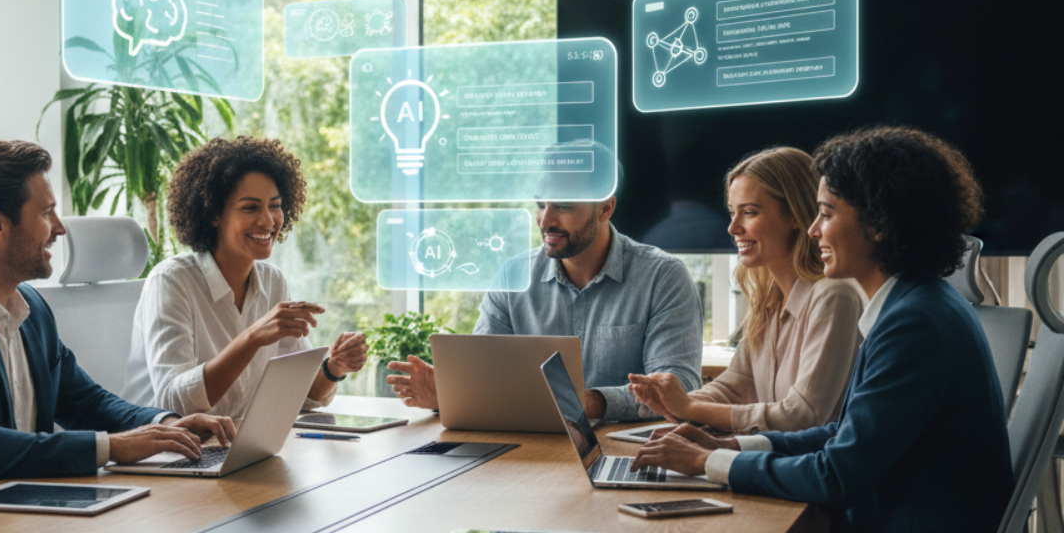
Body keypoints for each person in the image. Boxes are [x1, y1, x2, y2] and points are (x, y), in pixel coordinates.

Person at [633, 126, 1012, 533]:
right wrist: (731, 446)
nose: (814, 230)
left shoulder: (913, 324)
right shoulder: (912, 305)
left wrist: (708, 463)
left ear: (879, 223)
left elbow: (837, 475)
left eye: (827, 214)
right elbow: (840, 434)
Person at [0, 141, 236, 502]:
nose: (59, 228)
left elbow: (85, 402)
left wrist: (166, 423)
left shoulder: (30, 309)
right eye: (45, 213)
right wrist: (112, 447)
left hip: (13, 506)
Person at [388, 146, 703, 422]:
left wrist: (587, 402)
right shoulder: (513, 275)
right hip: (527, 450)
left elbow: (680, 388)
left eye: (563, 206)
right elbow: (486, 376)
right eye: (541, 204)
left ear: (605, 208)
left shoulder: (663, 277)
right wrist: (452, 396)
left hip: (623, 455)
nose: (545, 220)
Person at [122, 136, 368, 419]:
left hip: (231, 447)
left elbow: (299, 393)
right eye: (250, 207)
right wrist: (252, 338)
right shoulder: (171, 282)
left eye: (275, 205)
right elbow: (173, 404)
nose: (268, 220)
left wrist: (334, 367)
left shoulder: (273, 281)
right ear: (214, 214)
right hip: (162, 453)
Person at [629, 147, 864, 433]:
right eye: (732, 213)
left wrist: (689, 408)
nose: (732, 228)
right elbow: (736, 386)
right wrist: (673, 403)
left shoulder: (834, 296)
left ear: (796, 215)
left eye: (749, 212)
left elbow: (802, 416)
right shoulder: (769, 298)